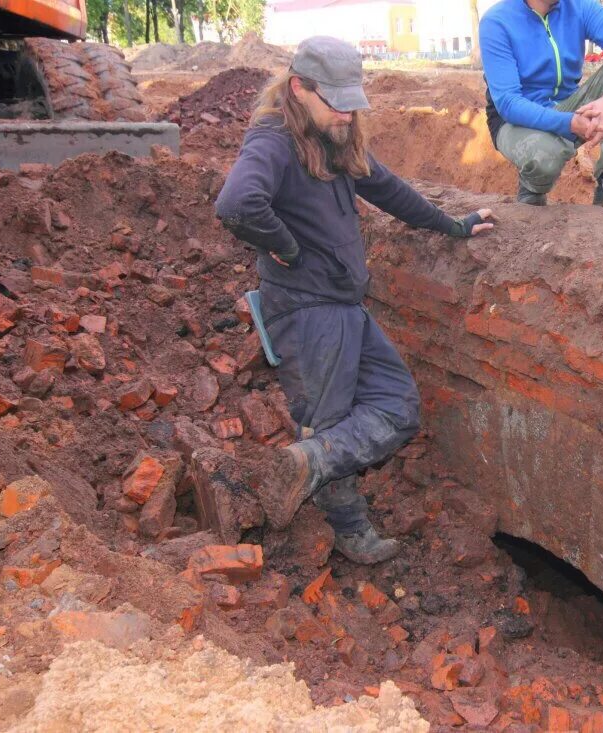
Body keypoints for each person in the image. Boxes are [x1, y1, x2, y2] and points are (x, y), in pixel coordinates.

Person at [215, 36, 495, 564]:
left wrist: (453, 226)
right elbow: (236, 203)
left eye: (351, 100)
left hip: (343, 306)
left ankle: (309, 462)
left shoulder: (334, 135)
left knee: (397, 405)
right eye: (335, 101)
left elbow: (387, 188)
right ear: (299, 88)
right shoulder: (274, 138)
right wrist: (286, 247)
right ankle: (350, 530)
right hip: (305, 313)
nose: (346, 112)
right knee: (328, 421)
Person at [480, 0, 603, 217]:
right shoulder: (497, 21)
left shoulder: (578, 6)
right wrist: (569, 123)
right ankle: (533, 189)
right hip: (515, 120)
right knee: (544, 157)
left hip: (569, 104)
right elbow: (508, 103)